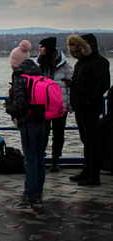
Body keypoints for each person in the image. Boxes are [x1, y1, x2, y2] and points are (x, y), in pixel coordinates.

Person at [65, 34, 110, 186]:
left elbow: (103, 84)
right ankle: (87, 170)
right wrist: (72, 84)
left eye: (77, 51)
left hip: (90, 107)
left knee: (93, 141)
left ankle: (94, 175)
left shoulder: (99, 62)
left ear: (84, 48)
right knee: (85, 140)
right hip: (80, 107)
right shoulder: (80, 64)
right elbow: (82, 83)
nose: (75, 54)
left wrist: (89, 98)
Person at [6, 41, 45, 211]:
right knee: (39, 158)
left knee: (30, 160)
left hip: (28, 123)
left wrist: (8, 108)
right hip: (43, 120)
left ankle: (27, 197)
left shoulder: (21, 79)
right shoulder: (39, 75)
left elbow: (19, 106)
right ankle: (37, 195)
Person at [35, 37, 74, 172]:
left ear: (48, 48)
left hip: (60, 104)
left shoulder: (65, 65)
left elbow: (70, 86)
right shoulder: (38, 64)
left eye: (41, 47)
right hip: (43, 105)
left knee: (58, 134)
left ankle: (55, 160)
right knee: (42, 133)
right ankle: (41, 158)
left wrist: (70, 103)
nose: (39, 50)